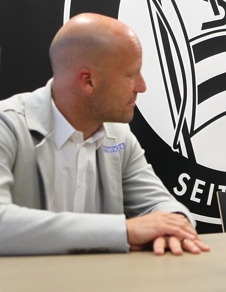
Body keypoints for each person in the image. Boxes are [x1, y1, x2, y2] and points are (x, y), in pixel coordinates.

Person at [0, 13, 210, 256]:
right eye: (130, 75)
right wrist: (125, 231)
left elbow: (159, 204)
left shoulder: (118, 137)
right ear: (88, 81)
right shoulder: (8, 126)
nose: (141, 86)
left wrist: (173, 223)